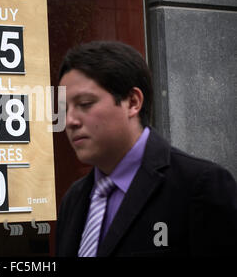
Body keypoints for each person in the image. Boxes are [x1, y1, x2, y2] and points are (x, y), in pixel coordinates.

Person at [56, 41, 237, 257]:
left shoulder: (200, 186)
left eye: (85, 103)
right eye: (64, 109)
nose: (69, 121)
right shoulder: (74, 200)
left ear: (133, 102)